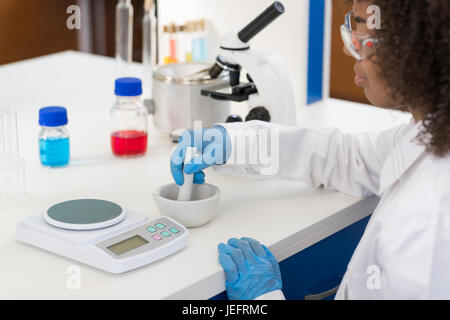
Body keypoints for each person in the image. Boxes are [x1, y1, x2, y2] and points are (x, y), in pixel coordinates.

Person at [170, 0, 450, 299]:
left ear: (414, 49)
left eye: (360, 40)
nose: (347, 50)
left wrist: (263, 299)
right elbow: (351, 158)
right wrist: (235, 142)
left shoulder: (429, 222)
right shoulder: (430, 132)